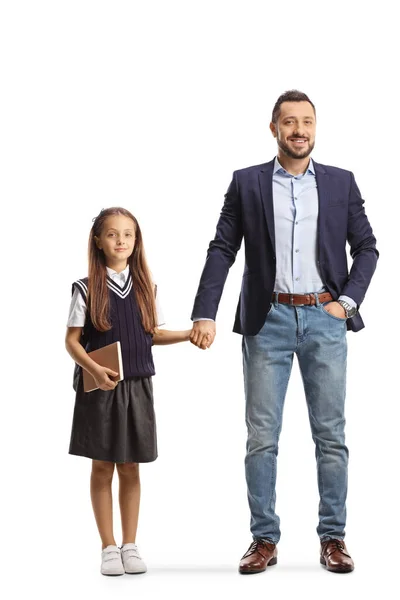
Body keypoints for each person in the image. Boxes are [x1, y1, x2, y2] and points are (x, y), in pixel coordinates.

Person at [190, 90, 378, 574]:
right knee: (262, 437)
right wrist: (204, 312)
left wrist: (347, 302)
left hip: (324, 318)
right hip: (266, 320)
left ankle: (333, 538)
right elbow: (222, 247)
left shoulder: (340, 182)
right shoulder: (247, 183)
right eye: (290, 122)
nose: (299, 130)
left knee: (331, 436)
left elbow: (367, 248)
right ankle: (264, 540)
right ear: (273, 128)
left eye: (307, 122)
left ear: (316, 128)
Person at [66, 207, 191, 576]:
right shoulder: (86, 287)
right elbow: (72, 342)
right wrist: (93, 368)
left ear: (137, 242)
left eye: (128, 235)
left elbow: (151, 335)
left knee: (131, 466)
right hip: (100, 386)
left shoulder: (146, 287)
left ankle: (130, 544)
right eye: (112, 234)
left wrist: (188, 334)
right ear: (98, 241)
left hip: (138, 385)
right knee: (103, 465)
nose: (121, 240)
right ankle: (108, 547)